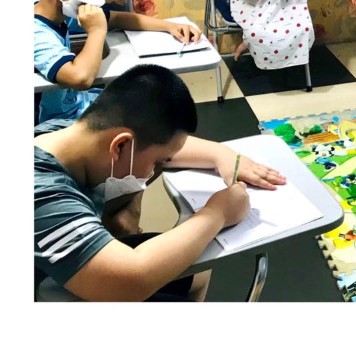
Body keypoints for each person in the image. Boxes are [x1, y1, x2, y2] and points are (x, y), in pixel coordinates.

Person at [34, 64, 286, 301]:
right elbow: (129, 281)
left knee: (197, 270)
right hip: (46, 280)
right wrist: (217, 213)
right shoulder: (42, 194)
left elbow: (165, 146)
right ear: (120, 146)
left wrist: (223, 155)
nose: (156, 169)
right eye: (157, 162)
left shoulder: (71, 132)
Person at [35, 0, 203, 125]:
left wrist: (170, 26)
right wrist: (97, 31)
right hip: (55, 122)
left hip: (76, 103)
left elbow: (117, 19)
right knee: (149, 123)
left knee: (157, 105)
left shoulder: (61, 9)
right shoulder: (36, 33)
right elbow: (81, 78)